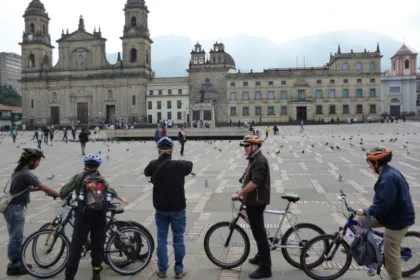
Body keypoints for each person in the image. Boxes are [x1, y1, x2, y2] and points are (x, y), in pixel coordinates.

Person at [60, 154, 129, 280]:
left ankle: (70, 276)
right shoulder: (100, 178)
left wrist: (62, 190)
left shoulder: (79, 177)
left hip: (83, 215)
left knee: (76, 246)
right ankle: (96, 273)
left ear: (85, 165)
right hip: (99, 216)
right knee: (98, 245)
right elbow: (110, 191)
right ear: (98, 166)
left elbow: (64, 192)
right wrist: (121, 198)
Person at [356, 148, 415, 280]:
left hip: (398, 220)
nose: (369, 165)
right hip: (390, 214)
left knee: (390, 256)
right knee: (360, 220)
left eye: (370, 163)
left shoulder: (388, 178)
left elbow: (382, 205)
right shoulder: (388, 172)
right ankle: (362, 245)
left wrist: (366, 210)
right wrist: (365, 213)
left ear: (377, 163)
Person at [4, 148, 60, 275]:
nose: (38, 164)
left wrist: (43, 191)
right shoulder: (26, 173)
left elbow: (24, 189)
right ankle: (14, 266)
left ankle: (18, 262)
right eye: (38, 161)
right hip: (16, 208)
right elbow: (42, 186)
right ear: (31, 161)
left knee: (15, 236)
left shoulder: (18, 172)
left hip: (12, 208)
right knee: (16, 238)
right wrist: (58, 194)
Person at [144, 137, 193, 279]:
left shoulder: (153, 164)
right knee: (178, 239)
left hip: (161, 209)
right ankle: (178, 270)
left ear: (159, 150)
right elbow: (190, 165)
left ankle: (162, 269)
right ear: (171, 150)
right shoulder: (179, 165)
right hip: (178, 208)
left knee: (161, 239)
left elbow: (147, 172)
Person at [232, 135, 271, 279]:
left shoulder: (260, 161)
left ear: (255, 147)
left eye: (247, 146)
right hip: (252, 200)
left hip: (257, 201)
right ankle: (260, 256)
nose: (244, 149)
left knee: (260, 235)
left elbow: (255, 183)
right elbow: (249, 180)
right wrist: (240, 191)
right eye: (244, 146)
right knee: (257, 232)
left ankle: (265, 268)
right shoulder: (254, 159)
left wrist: (240, 193)